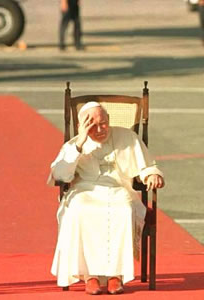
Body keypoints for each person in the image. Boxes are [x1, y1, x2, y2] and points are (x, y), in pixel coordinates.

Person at [47, 102, 164, 295]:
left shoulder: (128, 138)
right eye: (93, 125)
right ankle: (90, 276)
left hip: (119, 188)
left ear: (109, 120)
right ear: (81, 126)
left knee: (124, 209)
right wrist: (79, 144)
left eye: (104, 123)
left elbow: (146, 165)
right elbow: (60, 175)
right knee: (78, 210)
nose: (100, 130)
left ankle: (116, 276)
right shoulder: (74, 145)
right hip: (84, 189)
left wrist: (151, 174)